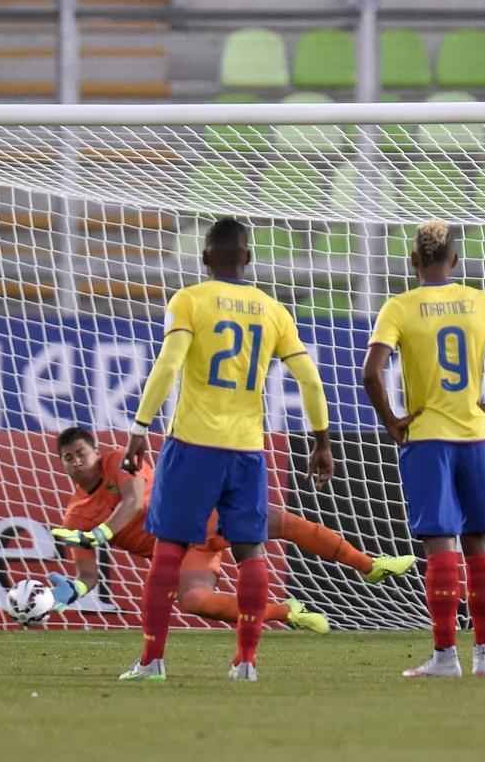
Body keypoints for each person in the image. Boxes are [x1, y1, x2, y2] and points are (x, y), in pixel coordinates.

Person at [119, 217, 335, 683]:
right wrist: (321, 440)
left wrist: (140, 426)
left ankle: (153, 661)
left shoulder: (191, 300)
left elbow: (169, 363)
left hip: (193, 445)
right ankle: (246, 662)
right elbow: (311, 380)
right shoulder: (272, 310)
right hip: (246, 450)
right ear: (249, 259)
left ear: (204, 258)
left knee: (169, 552)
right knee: (251, 552)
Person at [362, 219, 485, 679]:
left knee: (440, 543)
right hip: (475, 437)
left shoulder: (399, 307)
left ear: (413, 261)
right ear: (455, 261)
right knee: (480, 542)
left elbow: (371, 372)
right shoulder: (478, 301)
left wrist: (391, 420)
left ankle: (446, 656)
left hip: (427, 439)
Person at [49, 427, 414, 633]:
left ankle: (369, 566)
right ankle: (286, 612)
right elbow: (88, 575)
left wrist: (101, 535)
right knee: (194, 602)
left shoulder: (119, 460)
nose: (77, 461)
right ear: (62, 465)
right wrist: (64, 594)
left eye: (81, 452)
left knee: (284, 523)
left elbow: (134, 499)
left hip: (205, 514)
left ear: (97, 452)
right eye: (68, 457)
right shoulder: (77, 514)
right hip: (184, 552)